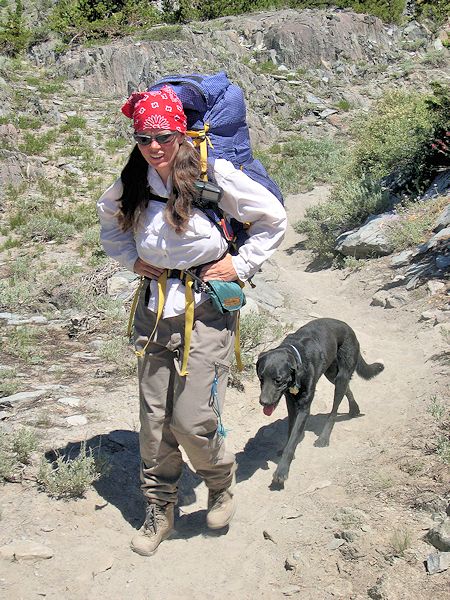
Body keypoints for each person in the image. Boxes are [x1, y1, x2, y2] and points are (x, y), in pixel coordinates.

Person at [97, 86, 287, 556]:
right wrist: (131, 259)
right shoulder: (134, 177)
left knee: (192, 417)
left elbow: (273, 218)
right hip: (155, 307)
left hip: (206, 307)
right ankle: (160, 508)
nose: (154, 147)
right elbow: (107, 220)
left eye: (162, 136)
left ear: (180, 133)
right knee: (154, 418)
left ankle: (220, 484)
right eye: (143, 138)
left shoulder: (210, 172)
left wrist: (239, 266)